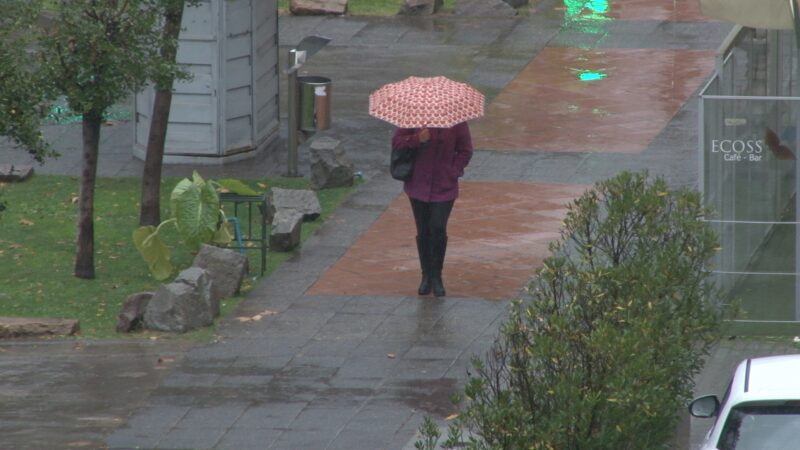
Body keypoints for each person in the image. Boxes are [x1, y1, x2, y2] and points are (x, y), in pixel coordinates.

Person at [391, 122, 473, 297]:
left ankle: (437, 276)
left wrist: (454, 170)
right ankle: (426, 275)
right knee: (423, 230)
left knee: (438, 227)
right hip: (418, 184)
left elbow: (466, 150)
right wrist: (417, 139)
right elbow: (397, 142)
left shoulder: (456, 120)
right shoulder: (414, 116)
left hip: (444, 185)